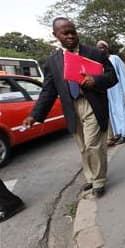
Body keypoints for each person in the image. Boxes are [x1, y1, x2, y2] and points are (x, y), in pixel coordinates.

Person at [23, 17, 118, 198]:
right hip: (71, 107)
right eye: (65, 33)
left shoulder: (94, 53)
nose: (70, 36)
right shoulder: (53, 61)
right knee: (83, 147)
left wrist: (95, 80)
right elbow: (48, 91)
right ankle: (90, 178)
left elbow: (112, 76)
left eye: (73, 31)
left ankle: (99, 181)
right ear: (55, 35)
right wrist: (35, 114)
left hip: (92, 104)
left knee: (93, 144)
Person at [96, 40, 125, 145]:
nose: (100, 50)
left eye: (102, 47)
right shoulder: (100, 62)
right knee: (114, 113)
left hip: (120, 91)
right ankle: (120, 133)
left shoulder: (115, 59)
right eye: (98, 48)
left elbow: (123, 75)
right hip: (109, 92)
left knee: (123, 112)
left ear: (106, 48)